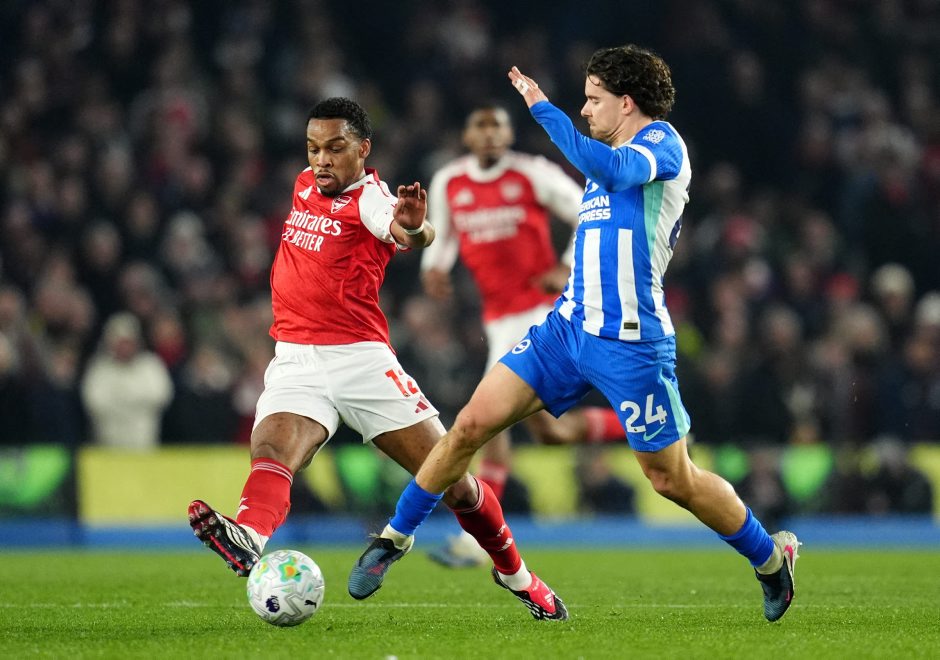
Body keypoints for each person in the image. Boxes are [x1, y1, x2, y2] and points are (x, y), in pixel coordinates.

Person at [352, 45, 801, 623]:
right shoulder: (604, 155)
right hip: (564, 331)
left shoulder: (662, 145)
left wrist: (542, 107)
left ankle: (770, 558)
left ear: (627, 102)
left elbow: (613, 172)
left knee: (672, 479)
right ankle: (393, 539)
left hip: (631, 342)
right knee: (468, 426)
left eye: (592, 99)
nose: (585, 110)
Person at [187, 97, 567, 621]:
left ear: (363, 149)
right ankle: (249, 536)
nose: (322, 160)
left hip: (361, 363)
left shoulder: (371, 199)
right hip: (296, 357)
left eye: (335, 148)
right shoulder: (304, 184)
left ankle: (516, 574)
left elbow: (408, 231)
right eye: (313, 148)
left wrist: (415, 227)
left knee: (455, 484)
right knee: (272, 448)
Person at [421, 102, 625, 566]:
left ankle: (477, 540)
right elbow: (443, 235)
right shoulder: (449, 181)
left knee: (484, 423)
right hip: (498, 319)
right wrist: (435, 267)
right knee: (553, 433)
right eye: (481, 125)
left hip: (539, 312)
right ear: (467, 136)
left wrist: (567, 264)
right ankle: (649, 426)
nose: (490, 133)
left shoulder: (532, 172)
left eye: (498, 126)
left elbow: (590, 210)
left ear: (509, 134)